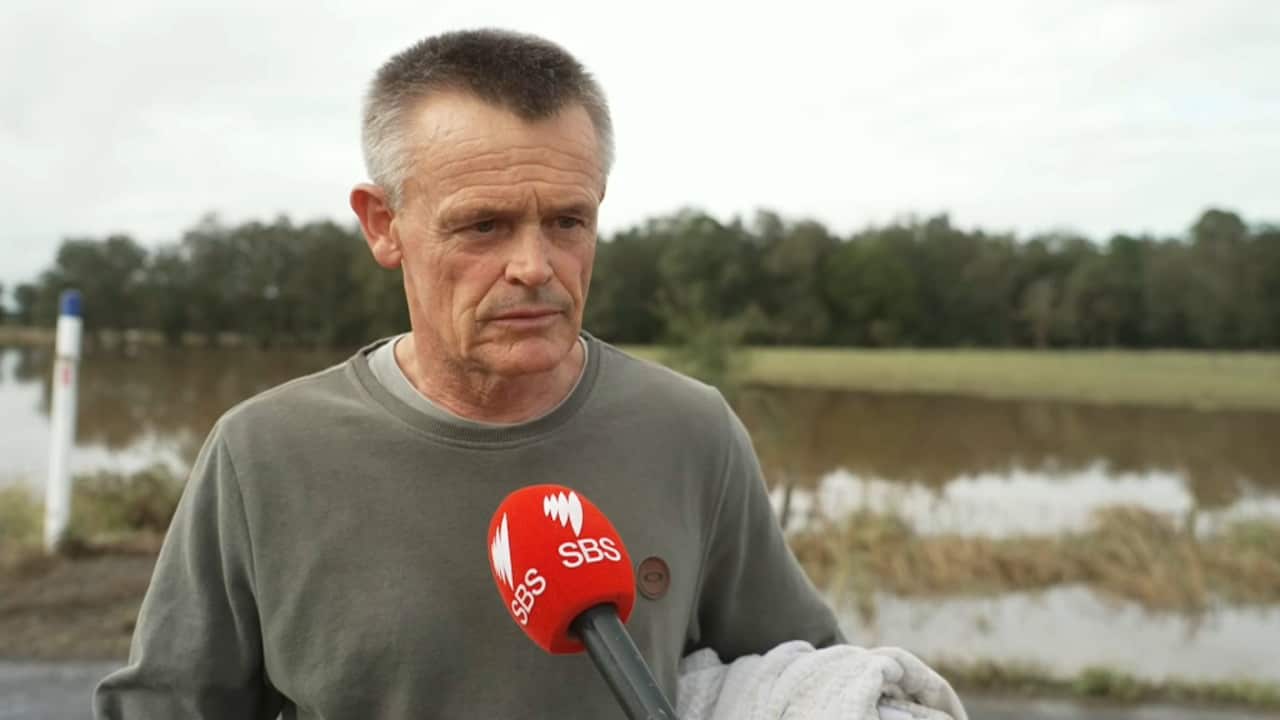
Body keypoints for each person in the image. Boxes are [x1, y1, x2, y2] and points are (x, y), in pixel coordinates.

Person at [94, 28, 841, 719]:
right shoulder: (260, 455)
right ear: (383, 224)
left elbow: (800, 676)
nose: (534, 268)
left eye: (567, 222)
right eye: (483, 225)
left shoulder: (691, 431)